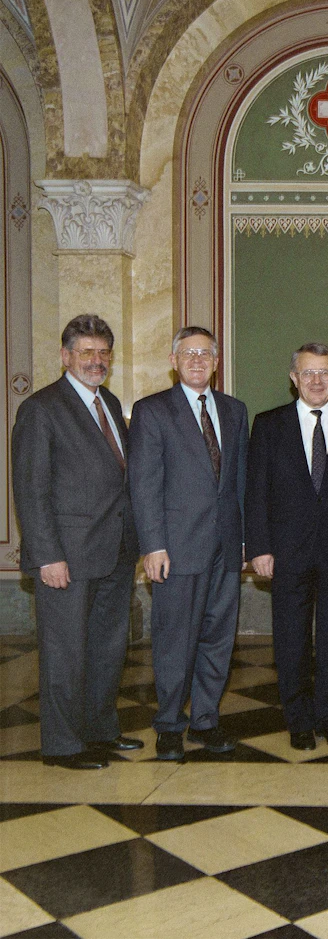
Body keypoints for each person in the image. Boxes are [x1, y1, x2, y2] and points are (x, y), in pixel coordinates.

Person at [11, 315, 141, 769]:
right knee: (65, 653)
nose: (96, 360)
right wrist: (47, 555)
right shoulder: (41, 409)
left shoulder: (109, 400)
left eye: (103, 352)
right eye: (85, 352)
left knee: (107, 647)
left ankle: (99, 729)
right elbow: (31, 490)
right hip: (66, 555)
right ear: (65, 356)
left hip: (116, 551)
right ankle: (63, 745)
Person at [247, 343, 328, 751]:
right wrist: (259, 547)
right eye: (308, 373)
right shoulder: (268, 424)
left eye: (324, 372)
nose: (316, 380)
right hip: (286, 552)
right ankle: (299, 721)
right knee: (291, 640)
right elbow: (256, 492)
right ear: (293, 378)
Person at [128, 326, 248, 761]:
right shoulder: (152, 411)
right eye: (188, 353)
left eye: (205, 353)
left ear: (216, 363)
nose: (197, 360)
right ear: (173, 361)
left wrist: (243, 540)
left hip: (225, 548)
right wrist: (153, 545)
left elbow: (238, 482)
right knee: (175, 638)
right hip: (175, 548)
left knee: (218, 638)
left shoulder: (235, 411)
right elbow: (143, 485)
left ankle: (205, 720)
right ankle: (169, 725)